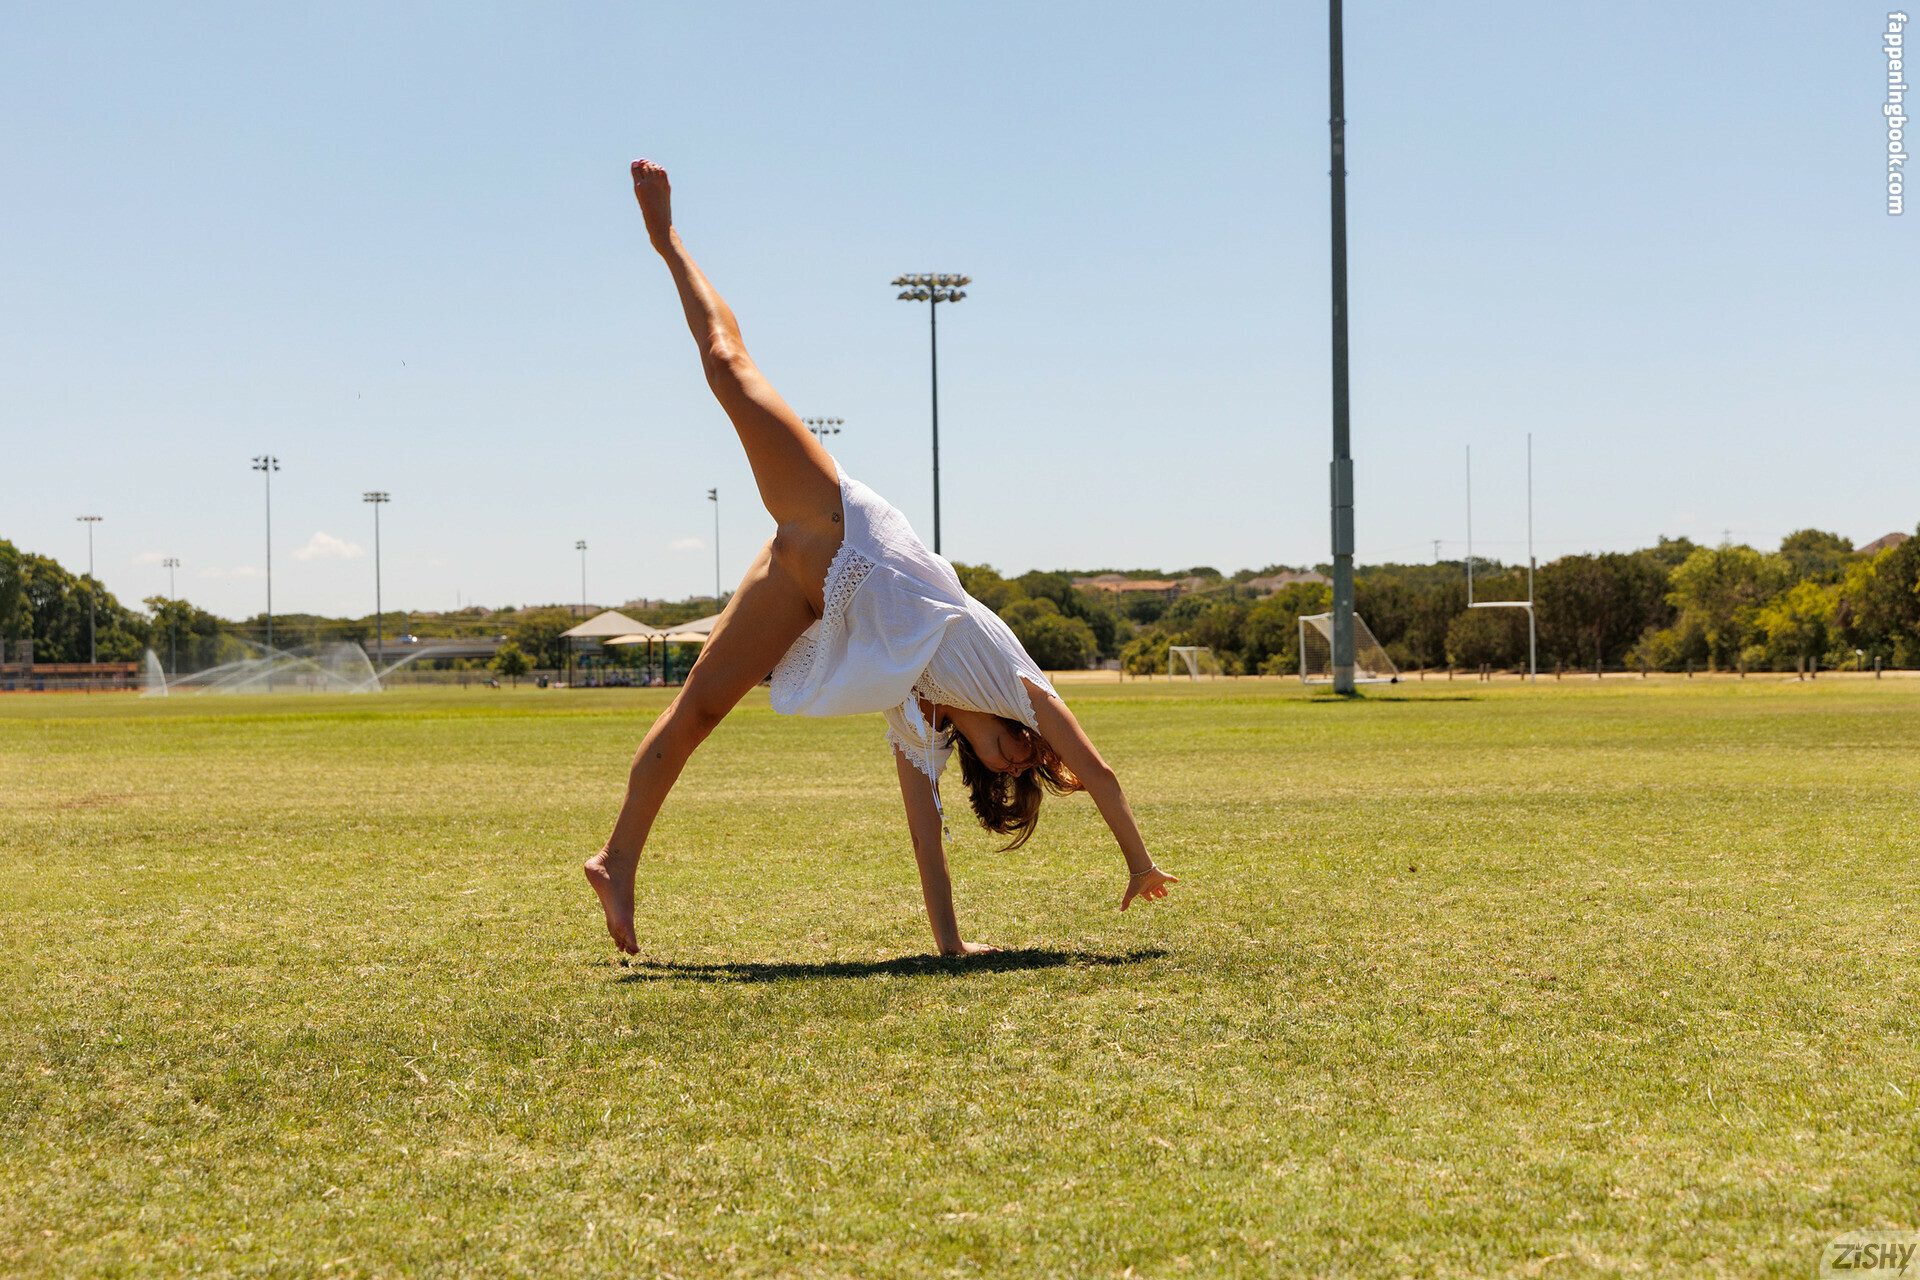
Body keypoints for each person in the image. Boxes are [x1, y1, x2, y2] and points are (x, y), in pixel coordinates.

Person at [584, 160, 1178, 957]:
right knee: (728, 365)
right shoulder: (1011, 679)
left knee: (699, 710)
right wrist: (1139, 862)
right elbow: (1099, 773)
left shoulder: (918, 717)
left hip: (804, 587)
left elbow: (926, 838)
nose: (1021, 760)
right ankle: (667, 239)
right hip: (840, 528)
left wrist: (952, 948)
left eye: (1009, 769)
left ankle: (614, 861)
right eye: (1026, 756)